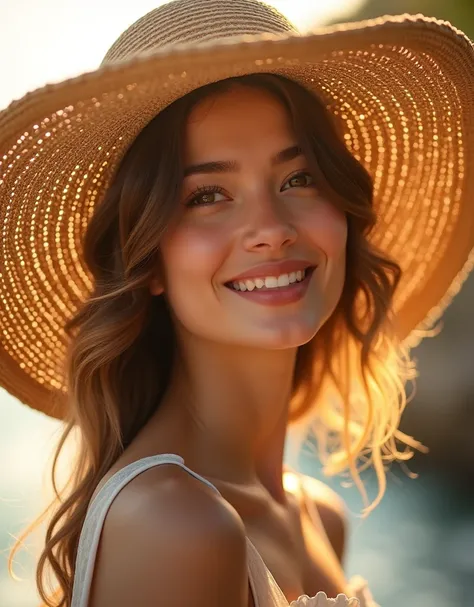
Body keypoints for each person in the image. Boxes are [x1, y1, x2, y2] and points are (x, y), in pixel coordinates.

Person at [2, 0, 474, 605]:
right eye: (208, 194)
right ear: (147, 260)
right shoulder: (173, 525)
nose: (270, 227)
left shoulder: (317, 516)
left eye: (298, 179)